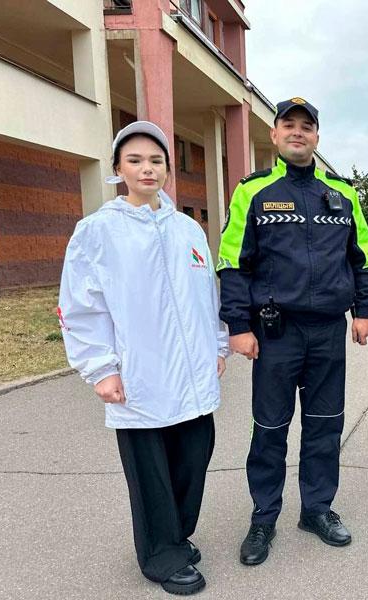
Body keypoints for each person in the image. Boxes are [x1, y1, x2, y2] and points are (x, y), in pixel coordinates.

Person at [58, 121, 228, 595]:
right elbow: (81, 306)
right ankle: (161, 555)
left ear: (168, 169)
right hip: (140, 375)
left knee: (193, 459)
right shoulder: (98, 231)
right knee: (151, 473)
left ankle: (176, 535)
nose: (146, 169)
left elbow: (206, 296)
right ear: (118, 168)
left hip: (192, 375)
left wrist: (216, 345)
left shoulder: (187, 229)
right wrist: (101, 369)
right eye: (134, 160)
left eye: (156, 160)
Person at [217, 97, 368, 565]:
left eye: (306, 126)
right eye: (288, 124)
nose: (297, 132)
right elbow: (232, 262)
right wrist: (238, 325)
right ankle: (264, 517)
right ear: (274, 134)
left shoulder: (342, 194)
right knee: (270, 429)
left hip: (327, 330)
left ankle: (317, 510)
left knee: (325, 426)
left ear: (316, 137)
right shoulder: (252, 191)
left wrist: (364, 309)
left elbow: (365, 256)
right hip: (276, 333)